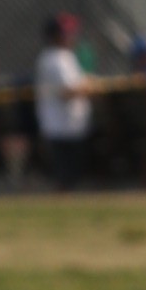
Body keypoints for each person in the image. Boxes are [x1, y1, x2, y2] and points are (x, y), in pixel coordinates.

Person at [32, 10, 95, 188]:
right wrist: (89, 86)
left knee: (73, 174)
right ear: (55, 36)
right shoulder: (54, 59)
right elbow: (67, 92)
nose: (72, 36)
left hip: (71, 124)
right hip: (61, 126)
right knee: (66, 177)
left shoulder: (67, 57)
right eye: (66, 33)